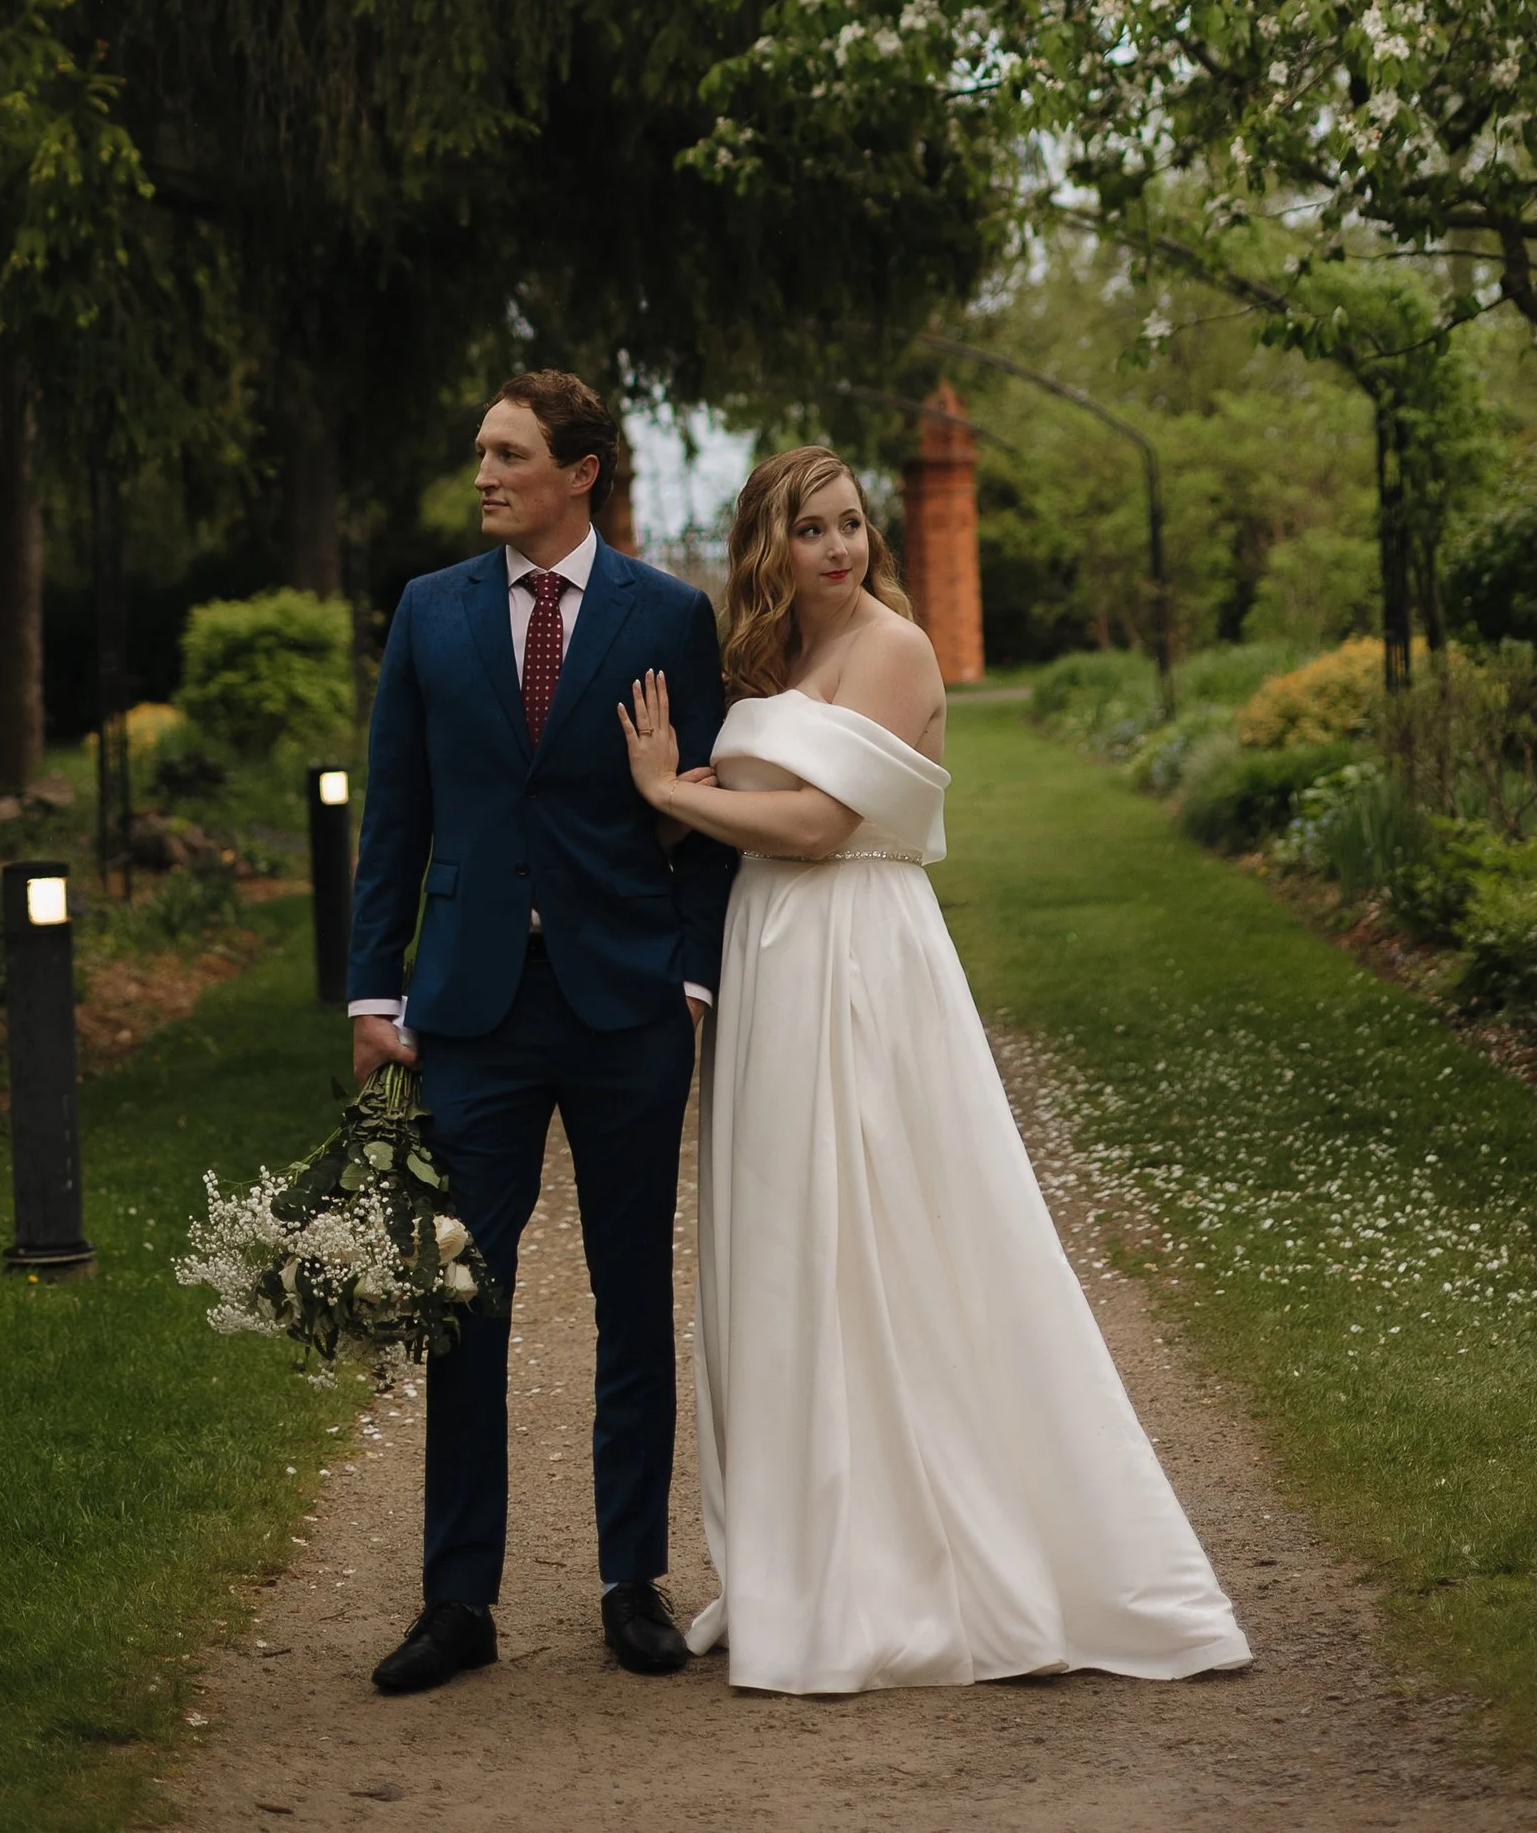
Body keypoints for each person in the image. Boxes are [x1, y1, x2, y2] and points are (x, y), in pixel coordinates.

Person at [618, 445, 1252, 1698]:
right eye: (814, 530)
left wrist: (671, 793)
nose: (841, 547)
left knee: (892, 1236)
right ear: (772, 546)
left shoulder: (895, 647)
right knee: (792, 1247)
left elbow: (811, 827)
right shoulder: (778, 659)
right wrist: (689, 791)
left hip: (856, 958)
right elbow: (760, 807)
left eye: (854, 524)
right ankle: (811, 1555)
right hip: (774, 960)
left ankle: (923, 1562)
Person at [347, 369, 732, 1696]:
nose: (484, 472)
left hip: (626, 1006)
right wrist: (368, 991)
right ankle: (459, 1597)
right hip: (471, 1014)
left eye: (510, 452)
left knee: (634, 1301)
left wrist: (689, 979)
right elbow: (394, 812)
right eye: (479, 452)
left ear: (583, 470)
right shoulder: (429, 611)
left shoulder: (671, 615)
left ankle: (634, 1580)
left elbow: (709, 819)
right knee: (464, 1300)